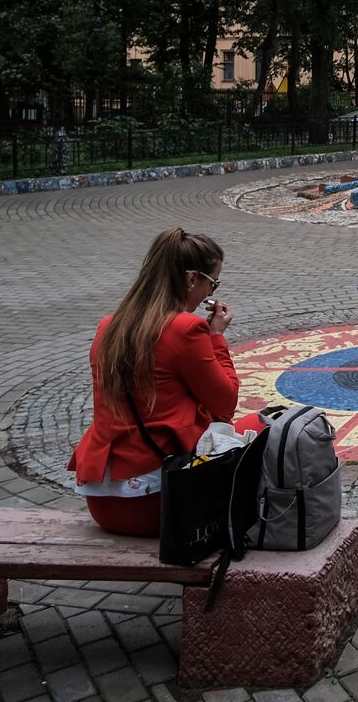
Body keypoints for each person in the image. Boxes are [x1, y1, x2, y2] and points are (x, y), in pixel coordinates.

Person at [68, 228, 239, 536]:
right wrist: (216, 337)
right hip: (158, 503)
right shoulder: (185, 329)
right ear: (190, 279)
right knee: (265, 428)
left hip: (102, 505)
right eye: (211, 284)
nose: (209, 295)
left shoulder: (109, 326)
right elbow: (225, 403)